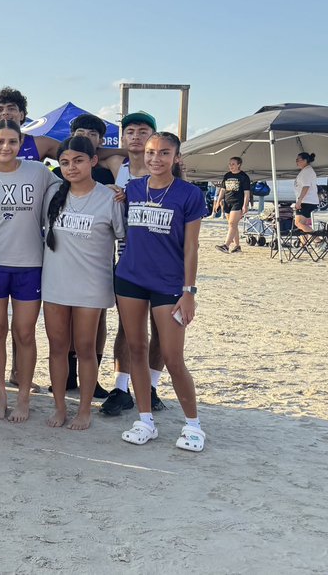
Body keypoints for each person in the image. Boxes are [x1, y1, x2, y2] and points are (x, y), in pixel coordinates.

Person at [118, 132, 207, 452]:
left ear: (176, 157)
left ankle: (193, 425)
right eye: (151, 152)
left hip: (170, 285)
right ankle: (144, 419)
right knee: (136, 349)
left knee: (172, 356)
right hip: (129, 279)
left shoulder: (189, 194)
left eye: (164, 153)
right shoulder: (132, 188)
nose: (156, 159)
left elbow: (192, 247)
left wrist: (189, 291)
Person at [0, 119, 60, 422]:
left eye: (12, 141)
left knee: (24, 333)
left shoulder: (39, 173)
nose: (6, 147)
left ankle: (23, 397)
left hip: (30, 264)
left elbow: (75, 187)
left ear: (21, 144)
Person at [42, 137, 125, 430]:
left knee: (86, 348)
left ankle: (85, 409)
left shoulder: (110, 198)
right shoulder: (53, 194)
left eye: (78, 160)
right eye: (64, 162)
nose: (71, 167)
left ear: (93, 161)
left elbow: (123, 238)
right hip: (55, 284)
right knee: (57, 347)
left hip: (91, 285)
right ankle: (60, 406)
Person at [104, 111, 167, 416]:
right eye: (130, 131)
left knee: (161, 328)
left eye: (144, 131)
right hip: (126, 253)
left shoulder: (168, 170)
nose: (137, 136)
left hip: (163, 257)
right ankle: (121, 386)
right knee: (127, 327)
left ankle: (152, 386)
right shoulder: (118, 165)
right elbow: (89, 152)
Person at [216, 157, 253, 253]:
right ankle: (237, 246)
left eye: (233, 164)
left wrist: (245, 205)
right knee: (232, 225)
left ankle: (226, 245)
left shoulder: (243, 176)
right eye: (230, 164)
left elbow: (246, 193)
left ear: (238, 165)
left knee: (232, 223)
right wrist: (218, 202)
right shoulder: (227, 175)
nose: (230, 166)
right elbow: (223, 190)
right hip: (228, 202)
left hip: (238, 203)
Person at [293, 152, 319, 234]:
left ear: (305, 160)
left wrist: (299, 201)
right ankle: (304, 245)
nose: (296, 162)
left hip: (306, 201)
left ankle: (318, 240)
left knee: (299, 223)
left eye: (298, 160)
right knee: (300, 225)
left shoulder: (307, 171)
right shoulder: (305, 171)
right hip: (305, 201)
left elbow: (306, 187)